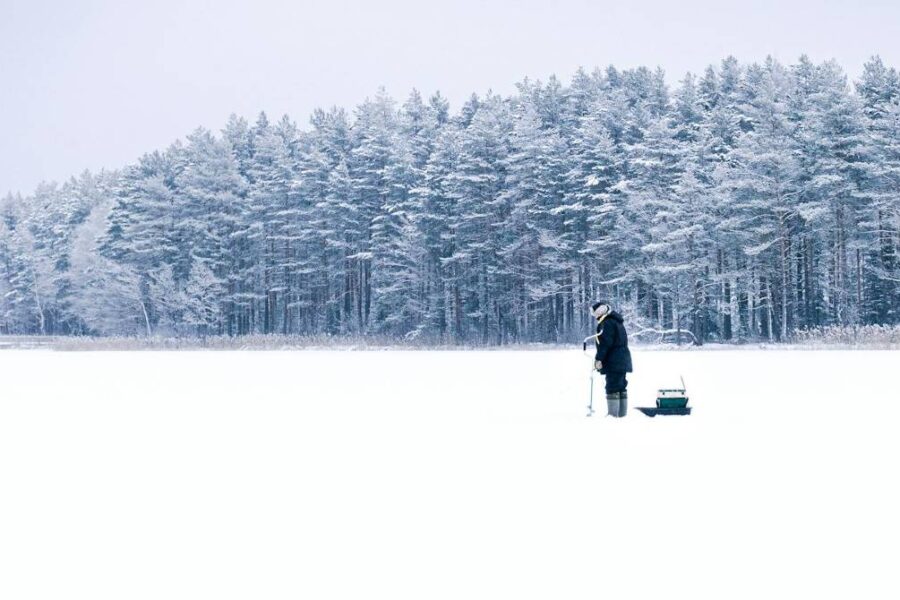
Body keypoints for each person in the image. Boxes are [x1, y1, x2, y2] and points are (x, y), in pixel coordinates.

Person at [590, 301, 633, 417]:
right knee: (621, 386)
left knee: (612, 386)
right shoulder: (617, 322)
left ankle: (613, 416)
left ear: (599, 312)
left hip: (614, 360)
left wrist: (599, 359)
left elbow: (605, 344)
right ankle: (621, 415)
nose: (595, 317)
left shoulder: (606, 323)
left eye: (595, 314)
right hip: (622, 358)